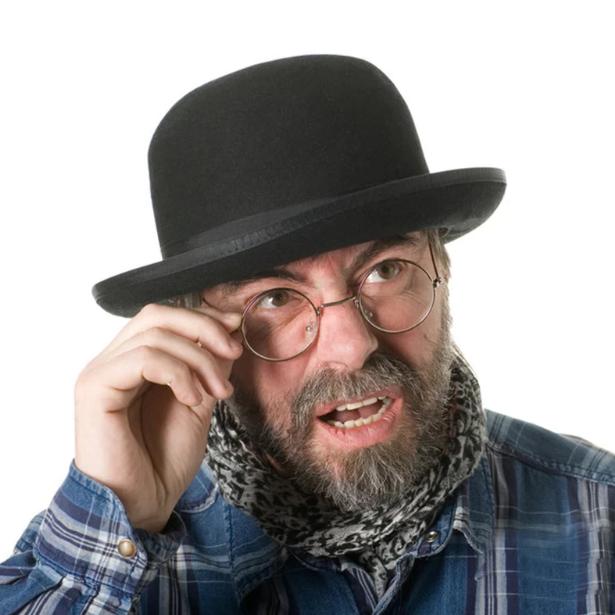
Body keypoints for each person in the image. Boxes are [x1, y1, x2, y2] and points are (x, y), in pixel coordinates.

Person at [1, 54, 613, 615]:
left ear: (442, 270)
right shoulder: (95, 561)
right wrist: (125, 513)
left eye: (385, 270)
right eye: (274, 299)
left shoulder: (600, 522)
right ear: (195, 333)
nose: (351, 347)